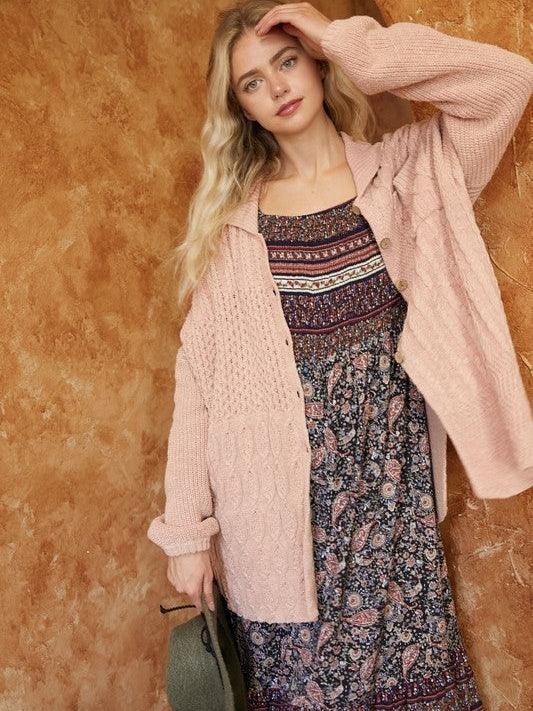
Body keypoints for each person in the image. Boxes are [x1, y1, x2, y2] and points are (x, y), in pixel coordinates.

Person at [147, 1, 533, 707]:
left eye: (287, 61)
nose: (277, 87)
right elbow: (198, 385)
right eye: (252, 82)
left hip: (394, 514)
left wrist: (342, 39)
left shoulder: (411, 173)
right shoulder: (233, 232)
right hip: (278, 529)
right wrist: (185, 534)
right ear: (241, 109)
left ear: (317, 66)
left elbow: (506, 82)